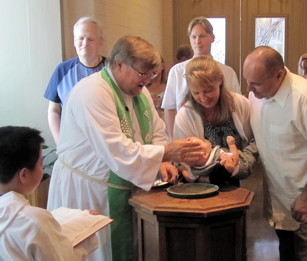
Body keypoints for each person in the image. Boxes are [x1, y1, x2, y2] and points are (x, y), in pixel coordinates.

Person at [47, 35, 206, 261]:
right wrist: (167, 152)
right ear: (119, 64)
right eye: (143, 74)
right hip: (89, 191)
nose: (148, 81)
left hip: (122, 187)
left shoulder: (138, 92)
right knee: (97, 253)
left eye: (153, 74)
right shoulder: (93, 93)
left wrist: (162, 160)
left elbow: (156, 130)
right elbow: (116, 149)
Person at [244, 46, 307, 261]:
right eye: (247, 81)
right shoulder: (257, 95)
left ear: (279, 75)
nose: (250, 89)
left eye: (256, 83)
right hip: (281, 203)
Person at [0, 126, 98, 261]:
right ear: (24, 174)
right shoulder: (33, 221)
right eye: (41, 163)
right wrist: (88, 236)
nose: (42, 169)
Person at [173, 56, 258, 186]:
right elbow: (184, 163)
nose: (203, 98)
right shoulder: (185, 115)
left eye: (208, 90)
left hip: (233, 178)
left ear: (220, 79)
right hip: (196, 184)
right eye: (196, 93)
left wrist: (237, 167)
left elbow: (252, 144)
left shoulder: (240, 104)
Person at [161, 16, 241, 139]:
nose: (197, 41)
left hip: (222, 137)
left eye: (202, 36)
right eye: (193, 37)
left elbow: (236, 107)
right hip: (187, 134)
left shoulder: (228, 72)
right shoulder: (177, 71)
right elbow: (170, 108)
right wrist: (173, 139)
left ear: (212, 38)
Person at [44, 16, 105, 144]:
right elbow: (54, 110)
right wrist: (60, 142)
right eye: (80, 38)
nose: (85, 43)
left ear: (101, 42)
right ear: (74, 41)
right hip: (73, 145)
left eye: (90, 39)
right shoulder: (62, 70)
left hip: (106, 143)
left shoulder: (113, 70)